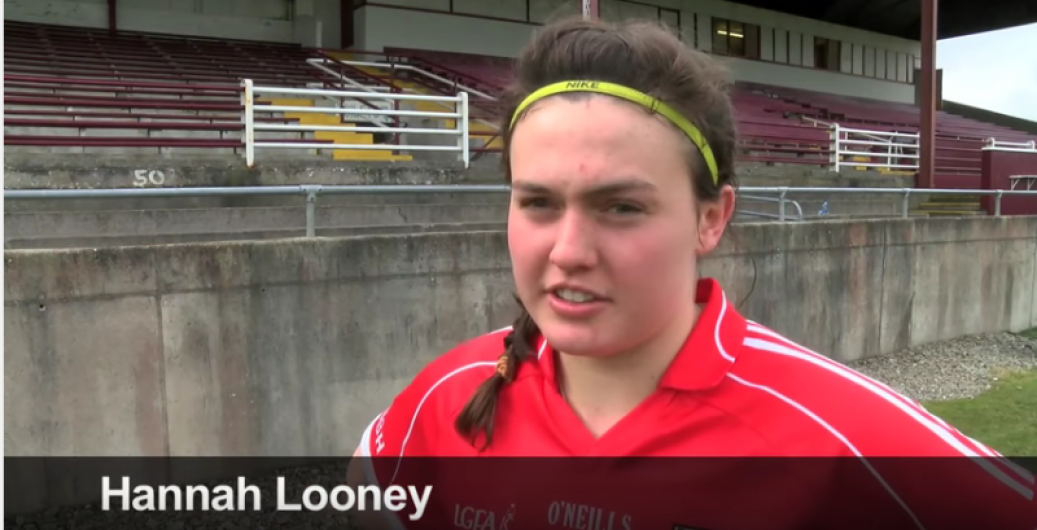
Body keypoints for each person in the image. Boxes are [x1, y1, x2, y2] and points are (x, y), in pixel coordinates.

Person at [346, 15, 1035, 530]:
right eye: (537, 202)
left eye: (620, 206)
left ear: (711, 218)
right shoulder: (447, 394)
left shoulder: (845, 436)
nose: (567, 249)